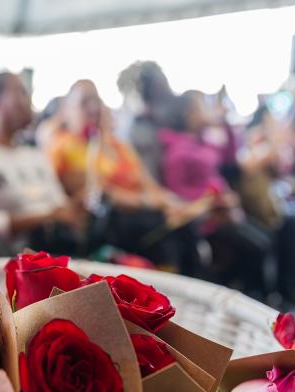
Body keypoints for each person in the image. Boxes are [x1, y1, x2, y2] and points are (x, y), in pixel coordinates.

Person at [48, 80, 210, 274]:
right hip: (111, 222)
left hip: (143, 213)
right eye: (85, 102)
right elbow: (101, 193)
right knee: (172, 232)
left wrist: (171, 202)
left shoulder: (117, 145)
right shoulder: (63, 147)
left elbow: (147, 182)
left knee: (183, 224)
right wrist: (152, 203)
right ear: (67, 110)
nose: (93, 108)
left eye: (96, 101)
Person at [160, 91, 273, 299]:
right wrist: (216, 199)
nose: (208, 108)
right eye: (203, 105)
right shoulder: (177, 148)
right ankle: (253, 297)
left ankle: (258, 295)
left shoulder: (204, 140)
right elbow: (177, 191)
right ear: (189, 113)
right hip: (206, 218)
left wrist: (225, 121)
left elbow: (229, 156)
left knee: (263, 240)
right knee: (256, 246)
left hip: (224, 211)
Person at [0, 72, 85, 255]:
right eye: (21, 92)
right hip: (9, 256)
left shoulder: (33, 150)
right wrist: (43, 217)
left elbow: (59, 200)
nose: (28, 101)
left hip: (58, 245)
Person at [238, 104, 295, 306]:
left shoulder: (267, 142)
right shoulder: (249, 140)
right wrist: (275, 138)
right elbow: (249, 166)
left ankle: (292, 285)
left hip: (270, 199)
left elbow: (279, 167)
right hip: (252, 205)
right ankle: (283, 288)